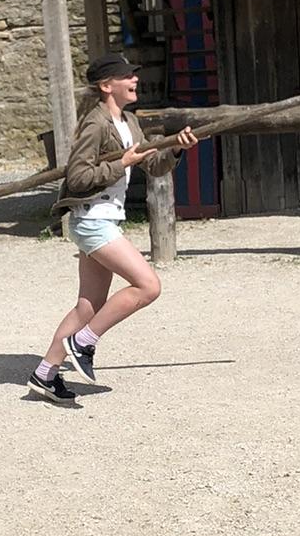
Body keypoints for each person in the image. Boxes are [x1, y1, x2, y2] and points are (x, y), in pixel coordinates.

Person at [28, 53, 197, 405]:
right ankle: (84, 342)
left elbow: (154, 166)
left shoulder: (129, 122)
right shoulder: (95, 123)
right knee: (148, 285)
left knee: (88, 307)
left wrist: (175, 149)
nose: (134, 80)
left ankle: (45, 373)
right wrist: (121, 163)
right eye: (126, 76)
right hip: (91, 219)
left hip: (104, 218)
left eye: (134, 75)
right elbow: (77, 177)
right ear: (107, 86)